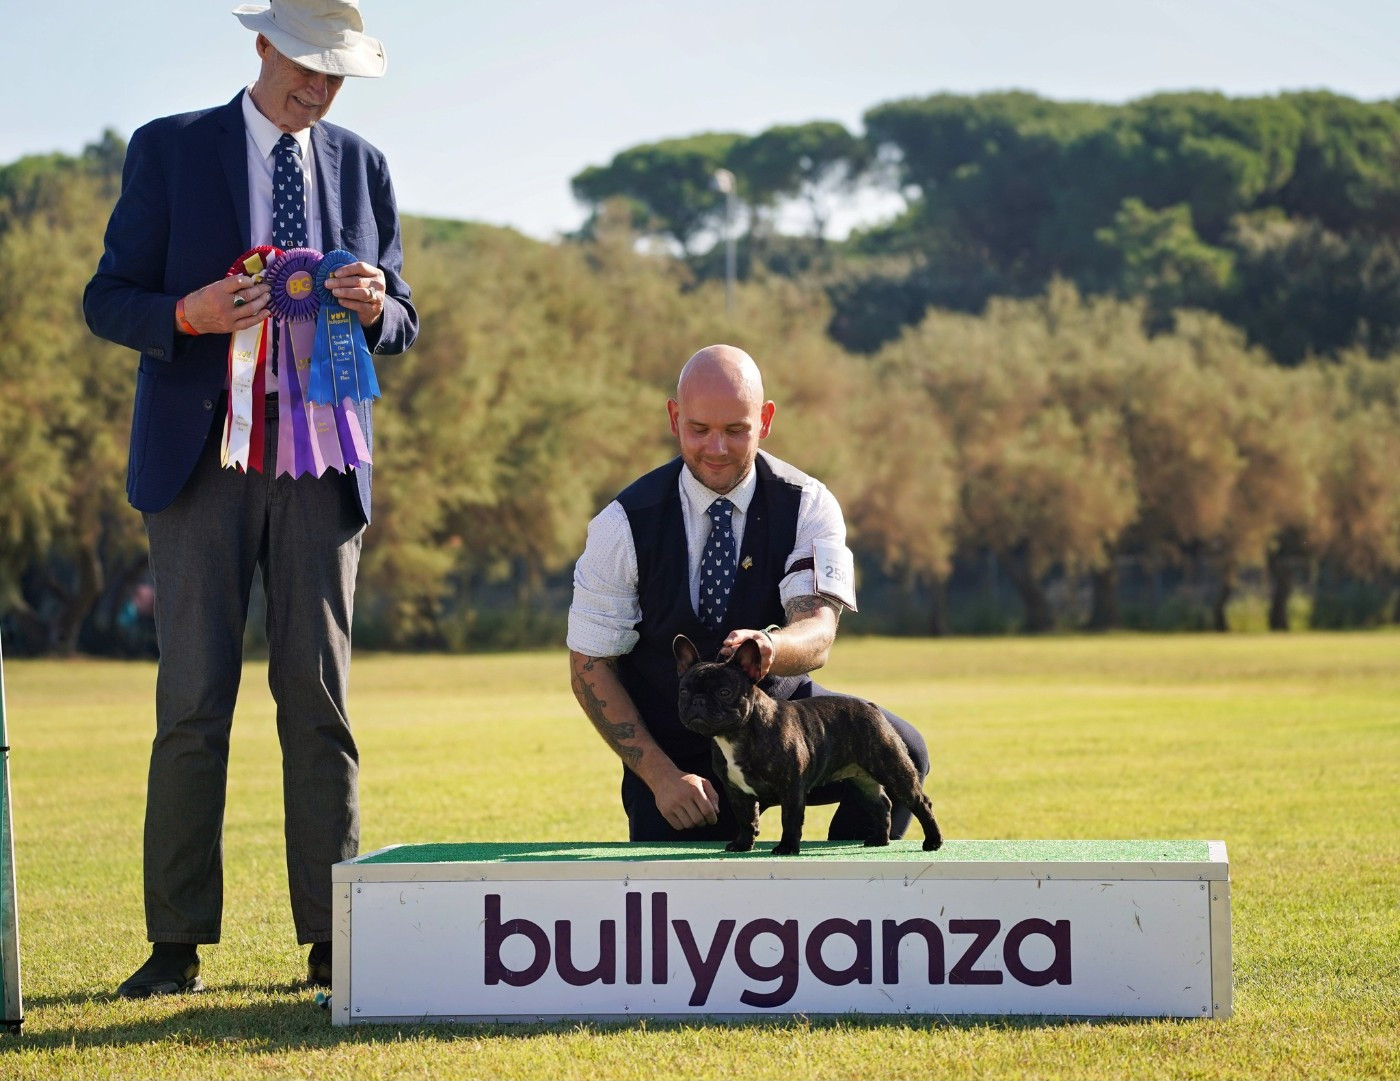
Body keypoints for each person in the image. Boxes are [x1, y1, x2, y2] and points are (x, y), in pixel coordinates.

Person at [82, 0, 417, 998]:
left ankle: (333, 940)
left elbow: (401, 318)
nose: (319, 88)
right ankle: (176, 943)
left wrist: (373, 304)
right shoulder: (170, 150)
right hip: (198, 467)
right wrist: (183, 312)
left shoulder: (363, 166)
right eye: (307, 65)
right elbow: (109, 297)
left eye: (336, 73)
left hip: (324, 467)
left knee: (319, 701)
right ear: (261, 45)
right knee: (192, 704)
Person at [568, 345, 930, 843]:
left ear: (765, 419)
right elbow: (589, 665)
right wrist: (659, 777)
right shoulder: (620, 525)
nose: (716, 448)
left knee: (903, 752)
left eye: (736, 430)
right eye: (699, 429)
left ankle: (846, 897)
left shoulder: (809, 504)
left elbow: (818, 633)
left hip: (786, 728)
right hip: (678, 751)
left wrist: (771, 647)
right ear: (674, 418)